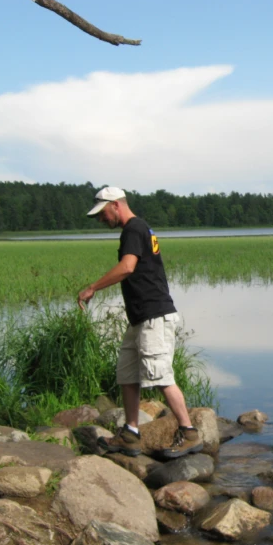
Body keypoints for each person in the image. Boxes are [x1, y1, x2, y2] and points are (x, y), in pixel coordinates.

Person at [78, 186, 201, 459]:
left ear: (116, 205)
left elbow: (127, 267)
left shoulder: (134, 229)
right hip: (140, 319)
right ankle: (131, 434)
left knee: (161, 376)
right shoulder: (137, 229)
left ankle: (189, 432)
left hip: (154, 316)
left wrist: (92, 288)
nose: (101, 219)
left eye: (103, 213)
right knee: (127, 373)